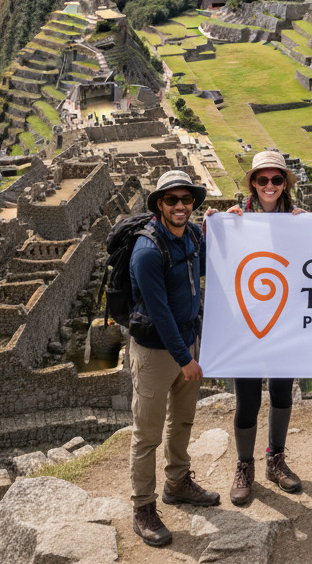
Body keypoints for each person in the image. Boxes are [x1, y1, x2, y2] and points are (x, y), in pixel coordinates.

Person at [205, 149, 304, 506]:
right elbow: (215, 260)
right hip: (246, 326)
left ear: (284, 183)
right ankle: (244, 465)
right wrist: (215, 227)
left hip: (286, 324)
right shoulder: (236, 220)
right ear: (253, 184)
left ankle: (275, 459)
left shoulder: (298, 220)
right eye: (263, 179)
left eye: (276, 179)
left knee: (281, 393)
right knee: (247, 399)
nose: (269, 185)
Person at [129, 169, 219, 548]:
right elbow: (160, 312)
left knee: (182, 419)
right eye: (172, 200)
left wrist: (227, 225)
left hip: (186, 340)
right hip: (156, 350)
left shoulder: (193, 236)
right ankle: (143, 507)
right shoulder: (148, 252)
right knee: (146, 433)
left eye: (186, 199)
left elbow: (212, 264)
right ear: (159, 205)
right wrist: (186, 359)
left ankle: (177, 482)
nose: (180, 206)